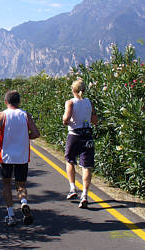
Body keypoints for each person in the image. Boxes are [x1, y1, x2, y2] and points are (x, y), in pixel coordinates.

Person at [0, 90, 40, 226]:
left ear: (6, 102)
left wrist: (1, 140)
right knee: (21, 185)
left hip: (6, 156)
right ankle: (23, 203)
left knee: (6, 184)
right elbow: (36, 133)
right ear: (19, 102)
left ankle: (11, 215)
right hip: (22, 156)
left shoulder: (2, 115)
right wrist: (24, 137)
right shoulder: (26, 115)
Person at [62, 79, 98, 209]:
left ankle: (72, 188)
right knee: (86, 166)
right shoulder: (89, 102)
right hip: (88, 135)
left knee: (70, 160)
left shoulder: (70, 102)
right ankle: (85, 194)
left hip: (74, 135)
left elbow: (66, 119)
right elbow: (95, 121)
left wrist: (66, 120)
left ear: (73, 90)